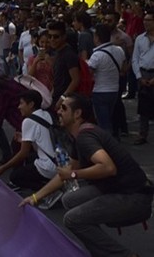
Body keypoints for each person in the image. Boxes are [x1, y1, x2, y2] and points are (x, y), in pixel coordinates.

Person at [20, 93, 153, 257]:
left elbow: (108, 167)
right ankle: (99, 248)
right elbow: (64, 175)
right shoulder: (78, 137)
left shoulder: (85, 137)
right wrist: (34, 198)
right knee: (69, 199)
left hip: (134, 197)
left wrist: (74, 174)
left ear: (77, 114)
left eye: (64, 108)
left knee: (72, 219)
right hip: (117, 189)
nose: (58, 111)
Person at [0, 90, 57, 205]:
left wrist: (3, 168)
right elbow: (41, 139)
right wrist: (24, 138)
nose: (19, 107)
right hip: (59, 161)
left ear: (31, 104)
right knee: (30, 159)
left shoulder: (28, 121)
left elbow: (23, 153)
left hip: (49, 166)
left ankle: (49, 189)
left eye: (22, 103)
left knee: (15, 177)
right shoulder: (46, 114)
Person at [87, 24, 125, 132]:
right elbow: (124, 67)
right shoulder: (119, 50)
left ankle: (108, 144)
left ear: (97, 38)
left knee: (103, 122)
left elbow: (89, 72)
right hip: (114, 90)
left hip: (100, 91)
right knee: (109, 118)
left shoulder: (97, 55)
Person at [131, 11, 154, 145]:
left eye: (149, 20)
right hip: (143, 73)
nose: (146, 23)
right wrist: (139, 76)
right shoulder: (140, 38)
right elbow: (135, 59)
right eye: (145, 20)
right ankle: (142, 134)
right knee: (143, 108)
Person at [48, 21, 80, 111]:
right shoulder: (58, 52)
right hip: (57, 98)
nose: (52, 39)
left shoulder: (68, 54)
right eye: (50, 36)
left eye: (56, 36)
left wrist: (62, 98)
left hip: (65, 102)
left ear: (64, 37)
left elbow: (76, 79)